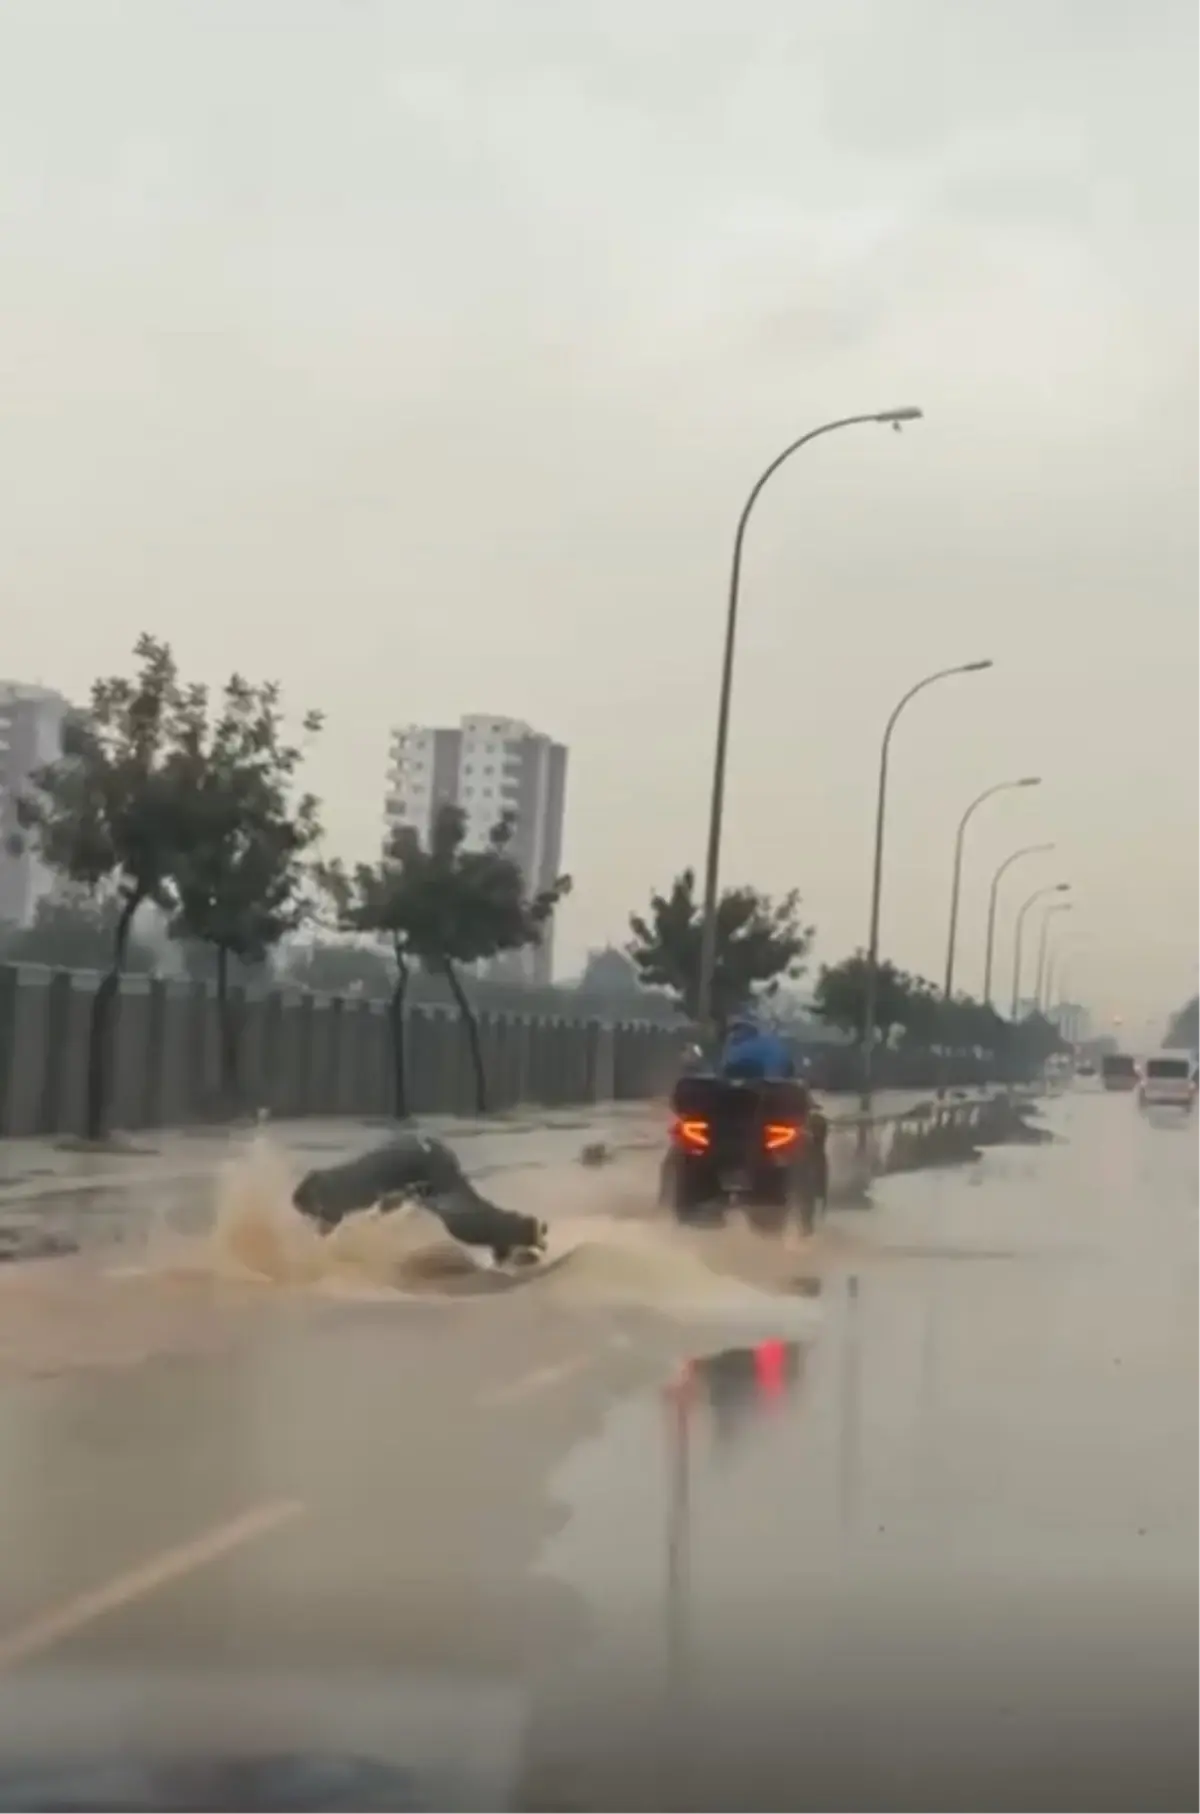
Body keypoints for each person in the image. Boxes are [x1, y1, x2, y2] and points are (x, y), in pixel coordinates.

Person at [719, 1015, 796, 1082]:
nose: (734, 1034)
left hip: (768, 1085)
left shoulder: (767, 1044)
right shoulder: (733, 1046)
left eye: (738, 1029)